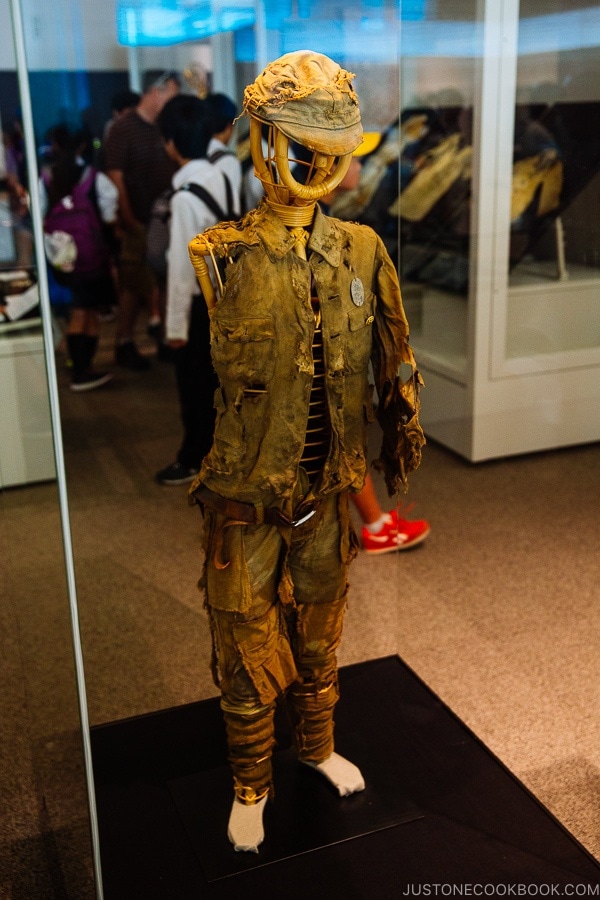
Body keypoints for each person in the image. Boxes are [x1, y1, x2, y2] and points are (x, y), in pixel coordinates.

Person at [187, 50, 425, 852]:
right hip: (244, 504)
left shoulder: (361, 251)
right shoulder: (221, 253)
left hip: (327, 497)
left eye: (329, 145)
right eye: (299, 141)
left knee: (322, 641)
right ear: (263, 137)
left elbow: (393, 357)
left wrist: (400, 434)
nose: (315, 161)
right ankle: (251, 783)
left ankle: (316, 747)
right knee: (245, 655)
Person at [155, 94, 240, 487]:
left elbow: (180, 268)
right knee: (219, 380)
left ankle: (195, 458)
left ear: (171, 140)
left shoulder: (186, 194)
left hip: (197, 302)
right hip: (226, 292)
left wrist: (174, 327)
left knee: (194, 385)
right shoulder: (220, 174)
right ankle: (222, 453)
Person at [103, 70, 180, 371]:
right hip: (139, 219)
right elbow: (115, 176)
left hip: (163, 218)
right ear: (156, 91)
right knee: (133, 285)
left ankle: (163, 339)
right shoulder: (123, 128)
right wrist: (129, 216)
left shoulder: (161, 126)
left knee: (162, 281)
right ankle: (123, 342)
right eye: (171, 93)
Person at [41, 124, 118, 390]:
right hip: (92, 259)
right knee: (87, 314)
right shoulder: (95, 178)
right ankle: (82, 371)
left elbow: (40, 216)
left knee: (78, 312)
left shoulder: (47, 179)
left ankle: (80, 365)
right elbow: (109, 215)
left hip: (61, 260)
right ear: (83, 146)